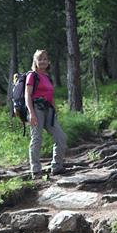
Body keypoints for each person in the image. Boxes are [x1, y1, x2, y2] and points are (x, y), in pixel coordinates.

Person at [25, 49, 67, 179]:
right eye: (40, 59)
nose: (43, 61)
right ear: (35, 62)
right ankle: (36, 170)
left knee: (60, 137)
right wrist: (31, 113)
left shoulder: (48, 77)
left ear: (48, 62)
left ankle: (57, 167)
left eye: (45, 59)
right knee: (37, 138)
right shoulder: (32, 76)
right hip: (36, 109)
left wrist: (55, 109)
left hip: (49, 110)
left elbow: (50, 95)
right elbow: (27, 95)